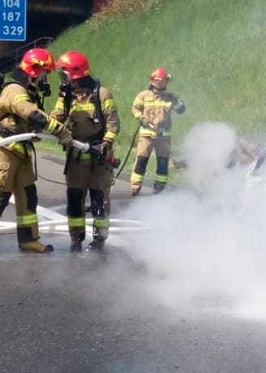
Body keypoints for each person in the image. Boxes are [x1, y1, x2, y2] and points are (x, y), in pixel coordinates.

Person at [0, 47, 75, 254]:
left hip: (21, 149)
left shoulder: (29, 92)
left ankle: (29, 239)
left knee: (28, 196)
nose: (45, 78)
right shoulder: (15, 91)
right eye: (44, 73)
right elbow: (31, 114)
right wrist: (59, 131)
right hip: (4, 148)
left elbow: (39, 119)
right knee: (0, 195)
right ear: (33, 70)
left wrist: (61, 101)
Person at [51, 51, 120, 251]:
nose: (61, 77)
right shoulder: (66, 95)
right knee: (74, 198)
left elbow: (113, 124)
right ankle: (76, 239)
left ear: (76, 72)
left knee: (99, 199)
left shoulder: (102, 94)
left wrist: (105, 145)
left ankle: (99, 240)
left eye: (64, 72)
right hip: (76, 157)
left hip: (99, 158)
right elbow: (56, 117)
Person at [130, 67, 185, 195]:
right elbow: (135, 109)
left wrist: (177, 101)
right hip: (146, 135)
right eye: (158, 81)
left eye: (164, 81)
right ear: (152, 81)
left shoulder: (169, 98)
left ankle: (159, 188)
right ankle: (135, 186)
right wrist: (141, 118)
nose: (161, 83)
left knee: (162, 162)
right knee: (141, 159)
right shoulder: (143, 95)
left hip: (164, 136)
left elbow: (181, 110)